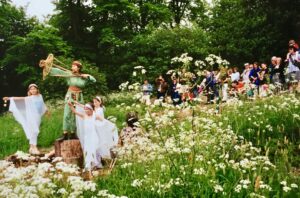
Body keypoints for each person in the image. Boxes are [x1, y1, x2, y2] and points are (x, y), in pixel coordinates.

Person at [40, 60, 96, 139]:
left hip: (79, 96)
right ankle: (65, 133)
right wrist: (46, 66)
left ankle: (73, 133)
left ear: (79, 68)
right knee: (67, 114)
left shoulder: (83, 77)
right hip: (71, 95)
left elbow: (94, 80)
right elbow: (58, 71)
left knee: (75, 114)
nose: (72, 67)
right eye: (72, 66)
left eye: (74, 66)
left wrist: (87, 76)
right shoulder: (69, 74)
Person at [3, 84, 48, 155]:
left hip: (37, 117)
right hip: (31, 116)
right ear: (29, 91)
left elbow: (42, 104)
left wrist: (46, 111)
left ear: (37, 89)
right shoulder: (30, 98)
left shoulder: (40, 96)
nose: (33, 90)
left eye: (34, 89)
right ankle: (35, 147)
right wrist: (9, 98)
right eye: (31, 89)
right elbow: (20, 98)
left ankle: (31, 148)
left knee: (34, 131)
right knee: (35, 131)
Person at [69, 102, 102, 172]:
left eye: (87, 109)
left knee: (95, 148)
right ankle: (89, 164)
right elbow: (75, 112)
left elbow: (103, 121)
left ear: (91, 109)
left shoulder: (95, 116)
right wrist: (71, 106)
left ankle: (96, 163)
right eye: (85, 109)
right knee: (88, 149)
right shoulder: (84, 116)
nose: (86, 110)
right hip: (87, 137)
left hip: (94, 135)